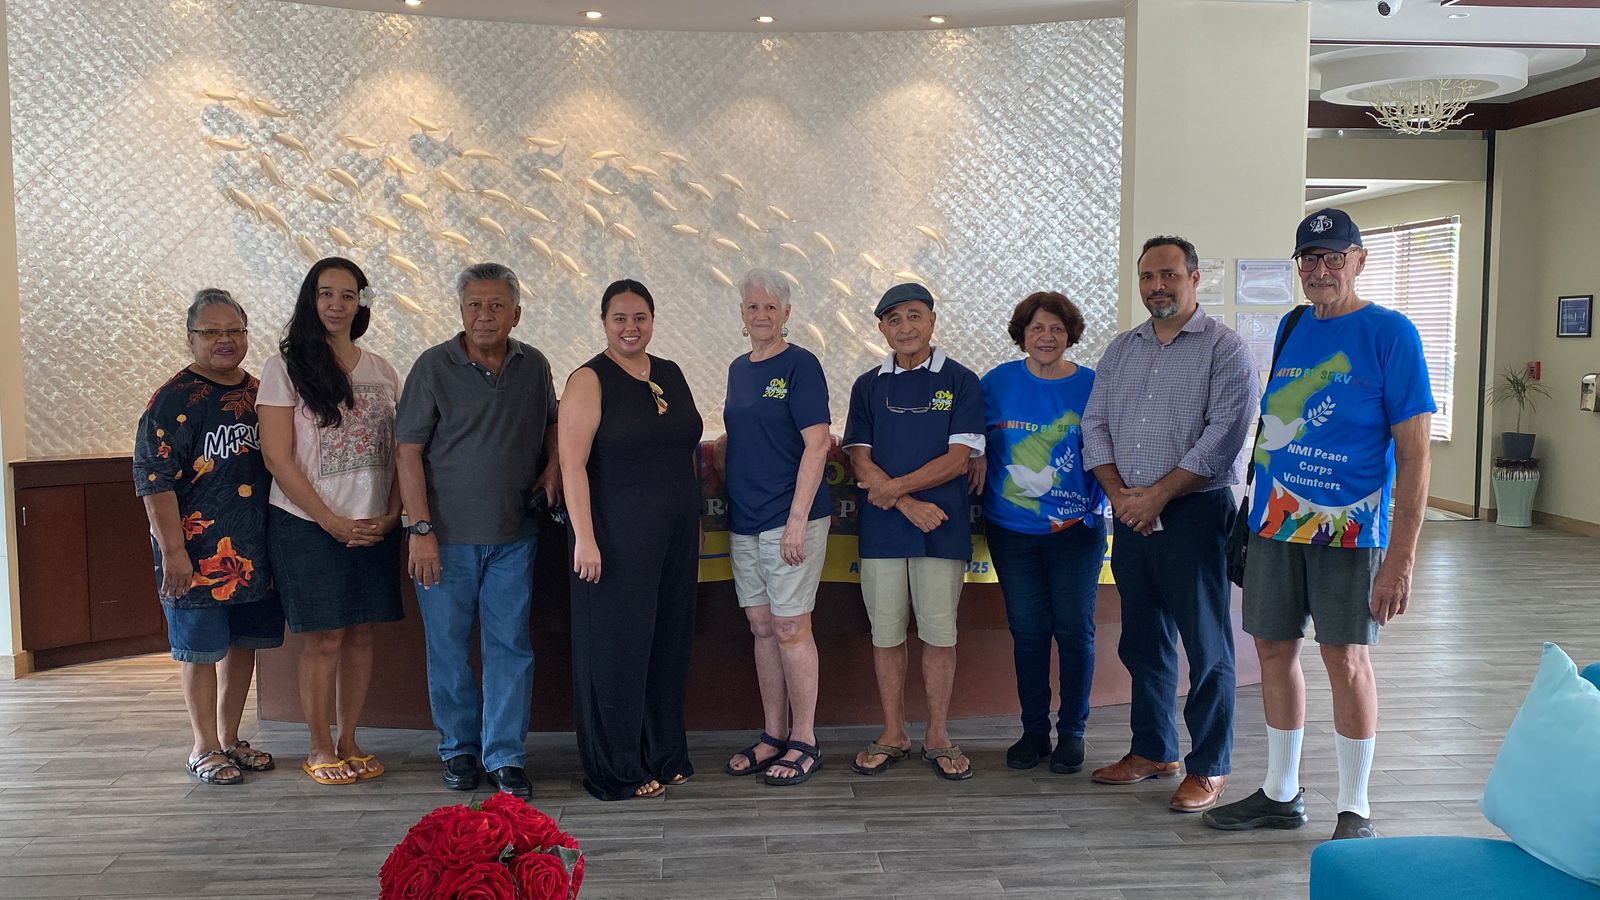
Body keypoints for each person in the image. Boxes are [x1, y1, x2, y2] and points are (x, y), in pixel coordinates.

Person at [1204, 208, 1435, 841]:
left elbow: (1416, 455)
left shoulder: (1391, 333)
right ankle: (1281, 793)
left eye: (1335, 257)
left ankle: (1355, 809)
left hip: (1351, 529)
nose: (1322, 270)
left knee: (1346, 658)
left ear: (1359, 259)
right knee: (1274, 649)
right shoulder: (1293, 325)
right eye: (1310, 259)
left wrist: (1401, 559)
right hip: (1277, 523)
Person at [1081, 235, 1255, 813]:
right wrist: (1121, 496)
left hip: (1194, 514)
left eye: (1169, 275)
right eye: (1148, 277)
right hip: (1128, 514)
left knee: (1207, 646)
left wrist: (1156, 495)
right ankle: (1154, 749)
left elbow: (1225, 433)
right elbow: (1095, 425)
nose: (1158, 286)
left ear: (1194, 277)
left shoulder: (1224, 350)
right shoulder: (1121, 350)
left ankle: (1210, 766)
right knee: (1142, 641)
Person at [395, 263, 561, 800]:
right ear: (460, 310)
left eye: (496, 306)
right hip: (442, 541)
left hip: (515, 536)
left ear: (516, 312)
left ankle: (506, 756)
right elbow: (407, 450)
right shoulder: (432, 367)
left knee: (509, 646)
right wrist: (419, 528)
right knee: (447, 649)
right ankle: (458, 750)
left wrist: (554, 466)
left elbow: (555, 422)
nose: (484, 315)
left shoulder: (533, 365)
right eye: (474, 305)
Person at [258, 257, 404, 786]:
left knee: (361, 633)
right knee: (324, 639)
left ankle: (349, 739)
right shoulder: (285, 368)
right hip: (306, 523)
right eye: (326, 294)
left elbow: (397, 451)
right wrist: (329, 520)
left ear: (362, 303)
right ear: (309, 299)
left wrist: (392, 513)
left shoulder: (382, 370)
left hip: (373, 524)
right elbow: (277, 457)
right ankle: (319, 745)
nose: (337, 305)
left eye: (348, 295)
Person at [559, 279, 703, 801]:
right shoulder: (588, 380)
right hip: (614, 538)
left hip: (675, 535)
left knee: (666, 644)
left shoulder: (670, 373)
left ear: (652, 320)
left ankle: (663, 753)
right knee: (617, 649)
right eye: (620, 318)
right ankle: (615, 768)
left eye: (639, 317)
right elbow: (571, 464)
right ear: (604, 323)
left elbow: (684, 446)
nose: (630, 327)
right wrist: (585, 538)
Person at [134, 288, 283, 784]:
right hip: (194, 553)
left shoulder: (263, 394)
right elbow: (153, 481)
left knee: (243, 645)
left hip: (253, 549)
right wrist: (173, 551)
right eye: (212, 332)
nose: (225, 341)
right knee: (199, 651)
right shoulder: (170, 401)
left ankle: (229, 738)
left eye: (234, 331)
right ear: (191, 338)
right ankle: (202, 747)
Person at [843, 282, 984, 781]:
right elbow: (859, 455)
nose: (905, 327)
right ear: (881, 328)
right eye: (893, 319)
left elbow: (958, 458)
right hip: (884, 530)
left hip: (941, 527)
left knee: (939, 635)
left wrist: (898, 491)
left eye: (914, 316)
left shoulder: (962, 381)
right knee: (885, 636)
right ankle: (893, 733)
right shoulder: (867, 386)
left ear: (932, 321)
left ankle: (939, 735)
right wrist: (904, 503)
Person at [977, 292, 1107, 775]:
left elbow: (1109, 448)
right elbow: (970, 439)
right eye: (1037, 329)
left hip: (1076, 528)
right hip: (1012, 530)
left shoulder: (1094, 385)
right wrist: (975, 457)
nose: (1046, 337)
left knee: (1075, 630)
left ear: (1070, 334)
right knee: (1028, 632)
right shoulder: (996, 384)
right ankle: (1034, 731)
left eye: (1056, 328)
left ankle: (1072, 732)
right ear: (1022, 335)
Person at [719, 269, 831, 786]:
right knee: (762, 627)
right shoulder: (739, 369)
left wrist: (794, 523)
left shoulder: (801, 365)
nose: (761, 315)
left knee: (791, 627)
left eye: (770, 307)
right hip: (745, 518)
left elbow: (817, 443)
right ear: (742, 315)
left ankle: (804, 739)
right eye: (752, 307)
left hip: (792, 519)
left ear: (787, 313)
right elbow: (737, 436)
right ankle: (773, 734)